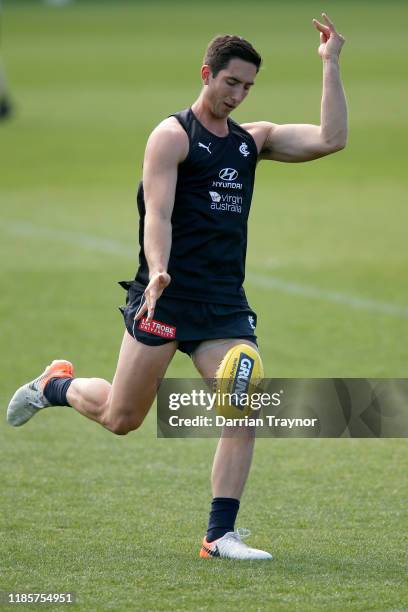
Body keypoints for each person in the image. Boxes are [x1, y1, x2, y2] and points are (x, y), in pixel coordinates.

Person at [7, 14, 347, 560]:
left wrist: (330, 64)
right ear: (206, 74)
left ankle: (219, 535)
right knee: (123, 418)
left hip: (223, 304)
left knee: (243, 402)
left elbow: (331, 139)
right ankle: (56, 386)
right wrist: (159, 270)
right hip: (163, 295)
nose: (238, 95)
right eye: (230, 82)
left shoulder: (248, 142)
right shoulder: (172, 136)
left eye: (248, 86)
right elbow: (157, 214)